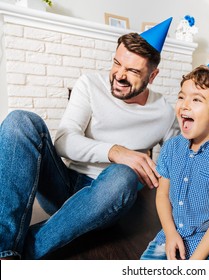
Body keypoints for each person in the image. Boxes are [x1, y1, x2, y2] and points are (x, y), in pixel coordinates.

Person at [0, 17, 179, 260]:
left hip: (107, 200)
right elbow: (63, 141)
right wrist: (115, 151)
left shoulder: (165, 113)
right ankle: (5, 247)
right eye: (117, 63)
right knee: (20, 120)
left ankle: (20, 251)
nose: (120, 75)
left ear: (153, 75)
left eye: (133, 71)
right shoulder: (90, 84)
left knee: (124, 174)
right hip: (65, 185)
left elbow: (177, 166)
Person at [141, 42, 209, 260]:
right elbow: (162, 194)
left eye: (196, 99)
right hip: (169, 237)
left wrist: (194, 262)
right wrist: (170, 234)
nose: (184, 105)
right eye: (181, 97)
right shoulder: (171, 147)